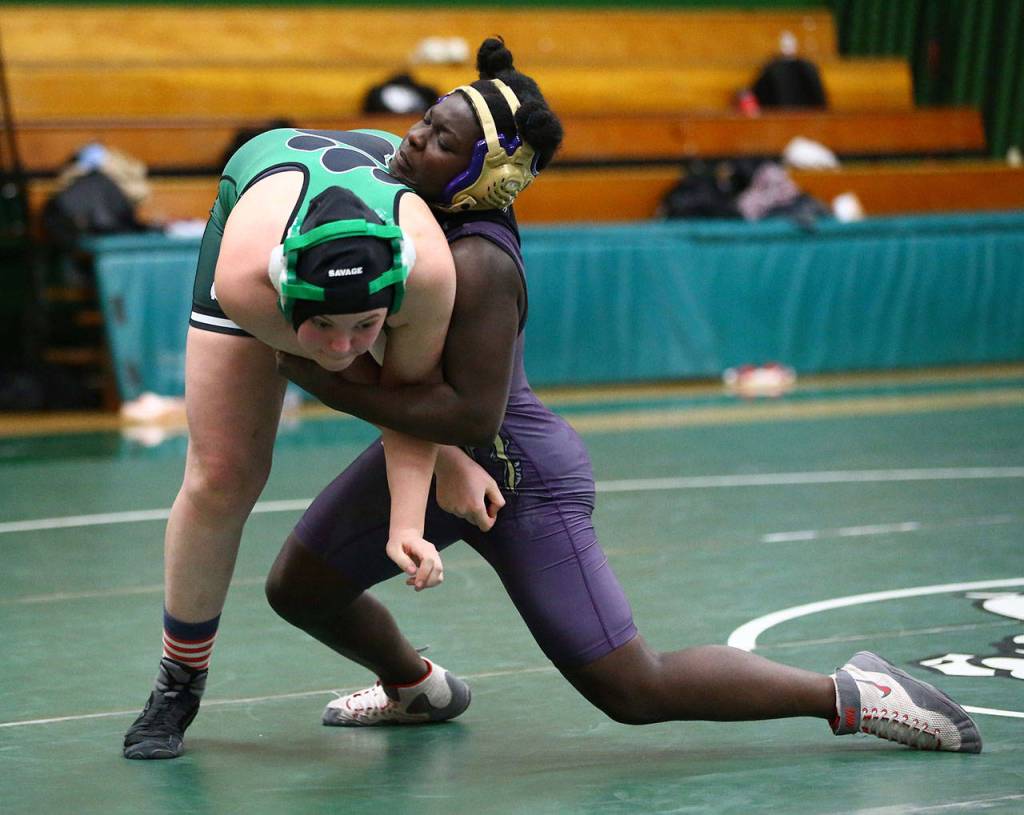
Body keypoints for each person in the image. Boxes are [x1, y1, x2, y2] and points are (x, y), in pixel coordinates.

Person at [265, 40, 982, 754]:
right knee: (299, 587)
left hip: (519, 475)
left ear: (488, 175)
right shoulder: (425, 205)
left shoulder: (479, 262)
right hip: (449, 451)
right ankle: (415, 685)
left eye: (441, 138)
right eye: (427, 119)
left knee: (632, 688)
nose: (416, 136)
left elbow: (471, 415)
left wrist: (320, 377)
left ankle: (850, 693)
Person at [121, 116, 461, 758]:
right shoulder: (248, 280)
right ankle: (178, 684)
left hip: (381, 198)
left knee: (412, 381)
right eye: (324, 323)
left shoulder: (427, 275)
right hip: (265, 193)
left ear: (394, 292)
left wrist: (410, 519)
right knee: (222, 474)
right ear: (287, 293)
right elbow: (353, 380)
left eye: (365, 323)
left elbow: (408, 403)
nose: (341, 343)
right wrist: (439, 444)